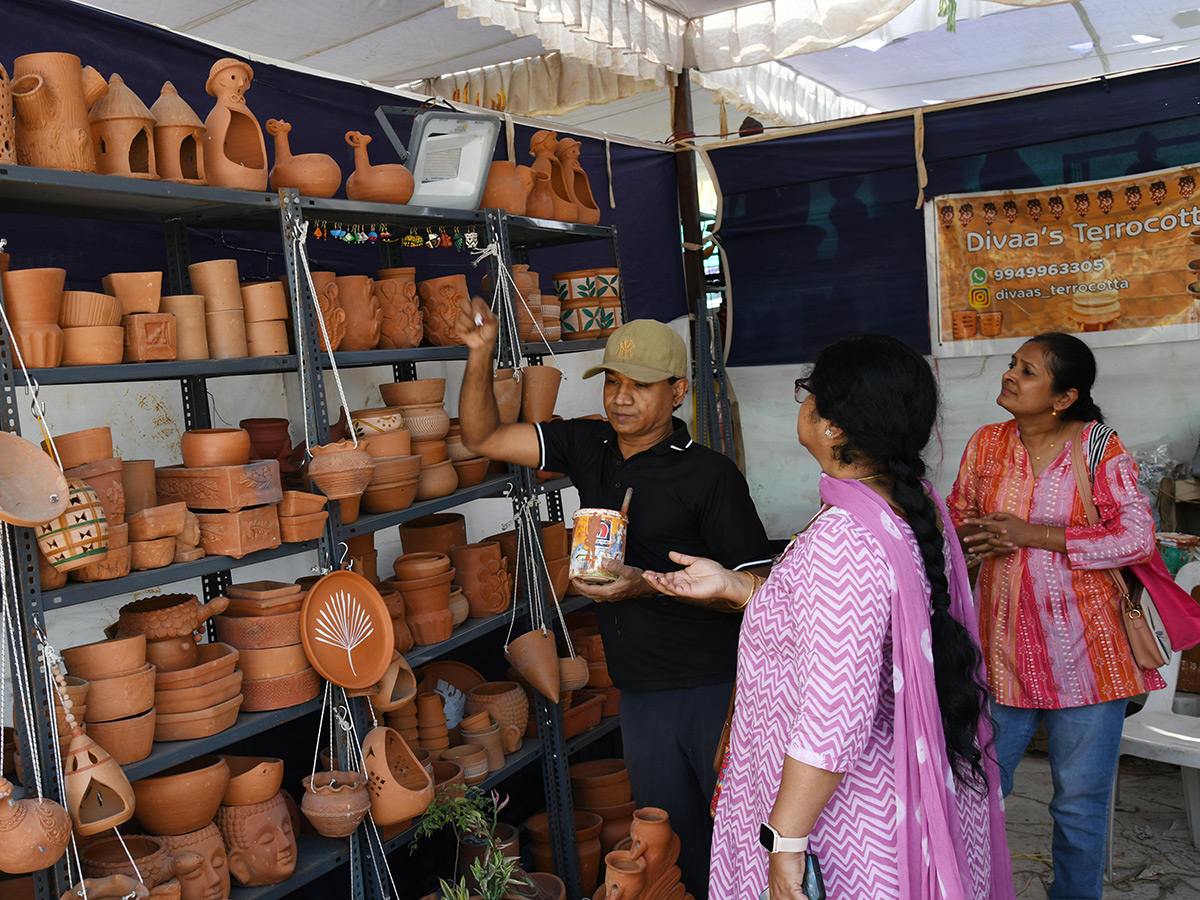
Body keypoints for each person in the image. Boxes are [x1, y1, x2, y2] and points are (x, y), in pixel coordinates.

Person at [645, 334, 1014, 900]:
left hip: (847, 824)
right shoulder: (902, 502)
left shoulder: (845, 538)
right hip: (888, 792)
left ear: (834, 425)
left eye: (806, 392)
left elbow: (832, 716)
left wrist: (785, 843)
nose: (802, 404)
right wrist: (739, 586)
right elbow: (835, 629)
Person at [456, 299, 772, 900]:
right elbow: (483, 435)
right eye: (614, 383)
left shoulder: (710, 475)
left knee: (735, 833)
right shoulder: (590, 446)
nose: (621, 399)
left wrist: (643, 582)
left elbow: (759, 590)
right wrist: (477, 356)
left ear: (678, 392)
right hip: (641, 691)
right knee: (665, 842)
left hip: (714, 686)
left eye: (642, 386)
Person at [949, 332, 1161, 900]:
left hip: (1090, 661)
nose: (1010, 375)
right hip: (1000, 658)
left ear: (1064, 397)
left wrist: (1033, 535)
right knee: (979, 794)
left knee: (1079, 806)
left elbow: (1137, 537)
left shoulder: (1097, 446)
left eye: (1028, 371)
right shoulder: (986, 443)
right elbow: (956, 521)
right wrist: (977, 540)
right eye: (1013, 365)